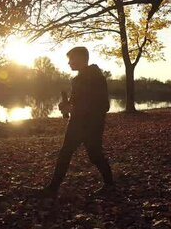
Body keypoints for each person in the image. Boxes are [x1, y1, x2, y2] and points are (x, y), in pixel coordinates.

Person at [38, 46, 114, 197]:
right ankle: (52, 188)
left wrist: (75, 109)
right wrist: (65, 106)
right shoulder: (77, 79)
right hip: (76, 124)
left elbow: (103, 105)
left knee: (95, 155)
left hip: (92, 125)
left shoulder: (96, 78)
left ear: (80, 59)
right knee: (65, 153)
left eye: (71, 59)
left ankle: (110, 184)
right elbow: (75, 103)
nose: (68, 63)